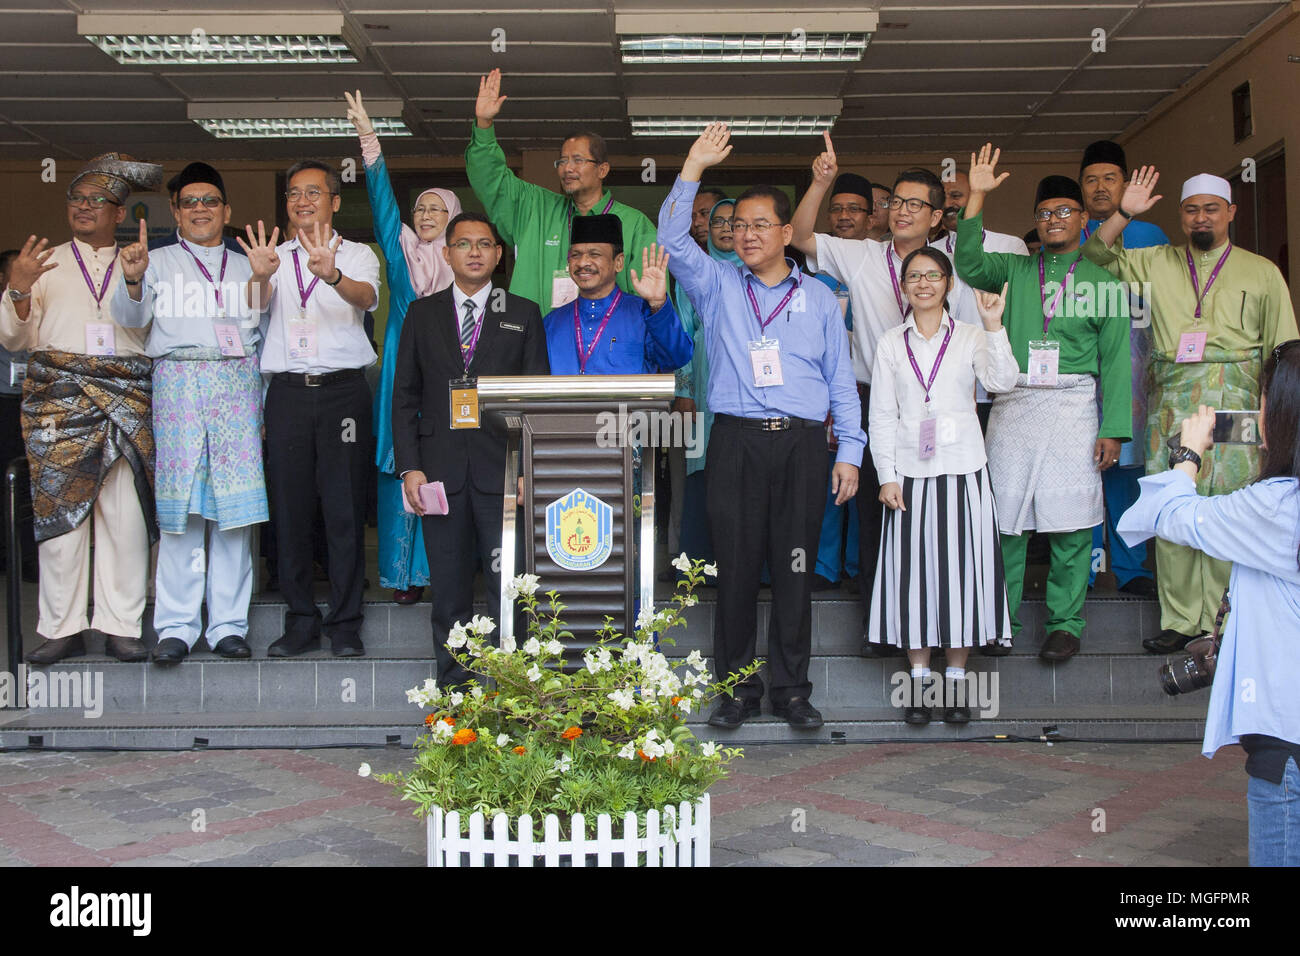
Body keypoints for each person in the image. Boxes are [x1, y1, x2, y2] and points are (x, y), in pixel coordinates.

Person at [658, 123, 864, 730]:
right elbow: (672, 234)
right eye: (737, 225)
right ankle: (736, 691)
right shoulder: (717, 284)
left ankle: (792, 690)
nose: (744, 234)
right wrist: (692, 163)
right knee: (738, 571)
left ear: (785, 232)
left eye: (757, 225)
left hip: (801, 445)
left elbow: (840, 383)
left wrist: (849, 450)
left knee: (796, 569)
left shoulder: (822, 299)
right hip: (736, 442)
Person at [1083, 168, 1298, 654]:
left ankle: (1224, 619)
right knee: (1173, 500)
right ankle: (1181, 619)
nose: (1201, 217)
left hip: (1239, 398)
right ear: (1180, 216)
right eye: (1191, 209)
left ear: (1231, 214)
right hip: (1173, 402)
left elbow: (1285, 349)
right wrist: (1124, 212)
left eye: (1211, 209)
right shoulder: (1156, 260)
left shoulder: (1261, 271)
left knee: (1231, 505)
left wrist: (1272, 413)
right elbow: (1096, 254)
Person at [790, 135, 977, 659]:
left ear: (938, 217)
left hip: (939, 411)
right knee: (879, 519)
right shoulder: (862, 254)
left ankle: (942, 628)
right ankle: (884, 628)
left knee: (937, 524)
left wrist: (978, 197)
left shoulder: (950, 263)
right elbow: (801, 234)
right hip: (874, 402)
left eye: (916, 204)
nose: (901, 211)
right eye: (895, 201)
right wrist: (821, 181)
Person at [1117, 352, 1300, 866]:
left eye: (1263, 406)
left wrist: (1188, 455)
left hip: (1287, 740)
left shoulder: (1278, 505)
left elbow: (1171, 515)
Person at [954, 144, 1131, 662]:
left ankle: (1065, 625)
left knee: (1071, 522)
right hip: (1015, 404)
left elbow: (1118, 362)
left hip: (1076, 408)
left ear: (1082, 219)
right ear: (1036, 221)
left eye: (1064, 212)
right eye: (1045, 213)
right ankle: (998, 619)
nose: (1054, 220)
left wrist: (1113, 429)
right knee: (1005, 519)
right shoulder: (1012, 268)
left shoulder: (1104, 282)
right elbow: (966, 261)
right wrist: (978, 197)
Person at [0, 152, 163, 664]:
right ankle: (61, 627)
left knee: (124, 516)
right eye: (77, 199)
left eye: (99, 200)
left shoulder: (141, 260)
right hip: (59, 404)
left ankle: (121, 625)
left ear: (120, 214)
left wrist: (135, 280)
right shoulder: (43, 263)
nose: (85, 207)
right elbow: (14, 338)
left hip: (125, 398)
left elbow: (142, 329)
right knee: (61, 514)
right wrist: (19, 288)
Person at [112, 161, 265, 665]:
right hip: (178, 385)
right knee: (181, 516)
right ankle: (176, 627)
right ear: (175, 212)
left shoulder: (249, 263)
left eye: (210, 201)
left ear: (227, 210)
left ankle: (227, 627)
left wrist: (262, 408)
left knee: (232, 517)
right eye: (190, 202)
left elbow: (264, 333)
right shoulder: (153, 262)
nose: (201, 209)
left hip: (236, 386)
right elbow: (132, 321)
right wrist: (132, 282)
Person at [392, 211, 549, 688]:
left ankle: (514, 691)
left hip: (503, 473)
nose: (475, 252)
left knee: (512, 588)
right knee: (450, 593)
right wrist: (410, 469)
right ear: (447, 253)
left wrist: (529, 468)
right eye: (464, 244)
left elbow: (536, 402)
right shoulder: (422, 314)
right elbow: (404, 398)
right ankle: (456, 695)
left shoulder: (522, 313)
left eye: (485, 244)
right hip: (440, 475)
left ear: (499, 255)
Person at [868, 249, 1018, 723]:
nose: (923, 284)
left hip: (965, 471)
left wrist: (995, 325)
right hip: (910, 476)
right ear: (904, 287)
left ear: (948, 284)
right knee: (914, 578)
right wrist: (886, 475)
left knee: (962, 577)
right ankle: (917, 683)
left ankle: (955, 684)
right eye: (914, 276)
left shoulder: (972, 336)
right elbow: (882, 416)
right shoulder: (892, 342)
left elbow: (1003, 381)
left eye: (933, 275)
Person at [244, 160, 381, 658]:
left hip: (345, 392)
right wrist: (260, 276)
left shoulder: (360, 254)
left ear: (335, 201)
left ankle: (345, 623)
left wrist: (332, 273)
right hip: (288, 394)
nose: (303, 201)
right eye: (294, 194)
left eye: (314, 192)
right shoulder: (271, 257)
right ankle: (301, 620)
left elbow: (365, 298)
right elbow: (255, 307)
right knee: (291, 511)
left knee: (343, 511)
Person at [345, 91, 463, 606]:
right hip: (402, 364)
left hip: (451, 368)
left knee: (445, 462)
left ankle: (438, 571)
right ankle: (402, 577)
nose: (426, 214)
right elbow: (382, 203)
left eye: (438, 208)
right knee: (402, 466)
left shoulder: (464, 261)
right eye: (421, 208)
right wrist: (369, 139)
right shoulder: (401, 254)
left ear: (455, 218)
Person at [467, 68, 657, 312]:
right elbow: (490, 179)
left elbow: (650, 302)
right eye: (562, 161)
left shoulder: (634, 224)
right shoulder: (535, 208)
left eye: (578, 160)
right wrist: (484, 125)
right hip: (537, 343)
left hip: (605, 345)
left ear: (602, 169)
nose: (567, 168)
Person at [1078, 140, 1169, 600]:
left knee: (1127, 471)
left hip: (1134, 369)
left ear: (1127, 183)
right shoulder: (1069, 232)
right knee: (1080, 470)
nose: (1099, 187)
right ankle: (1087, 567)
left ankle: (1132, 568)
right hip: (1077, 372)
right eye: (1091, 179)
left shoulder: (1151, 235)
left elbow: (1167, 302)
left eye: (1109, 178)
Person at [810, 172, 870, 590]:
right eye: (838, 208)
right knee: (827, 479)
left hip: (871, 390)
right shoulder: (815, 271)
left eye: (854, 209)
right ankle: (823, 566)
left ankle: (859, 564)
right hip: (823, 390)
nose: (844, 216)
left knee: (865, 482)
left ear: (872, 217)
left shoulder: (884, 264)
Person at [542, 214, 691, 375]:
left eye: (594, 254)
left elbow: (676, 358)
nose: (583, 262)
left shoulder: (643, 313)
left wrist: (657, 303)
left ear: (618, 262)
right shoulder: (552, 322)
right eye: (575, 255)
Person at [673, 197, 737, 567]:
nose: (727, 228)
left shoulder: (757, 272)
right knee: (702, 472)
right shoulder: (694, 275)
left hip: (747, 392)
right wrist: (683, 393)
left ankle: (740, 565)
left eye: (735, 221)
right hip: (702, 386)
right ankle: (698, 566)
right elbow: (681, 338)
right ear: (707, 230)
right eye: (719, 222)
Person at [0, 248, 36, 582]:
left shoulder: (38, 305)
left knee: (33, 480)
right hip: (5, 404)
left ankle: (30, 558)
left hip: (37, 403)